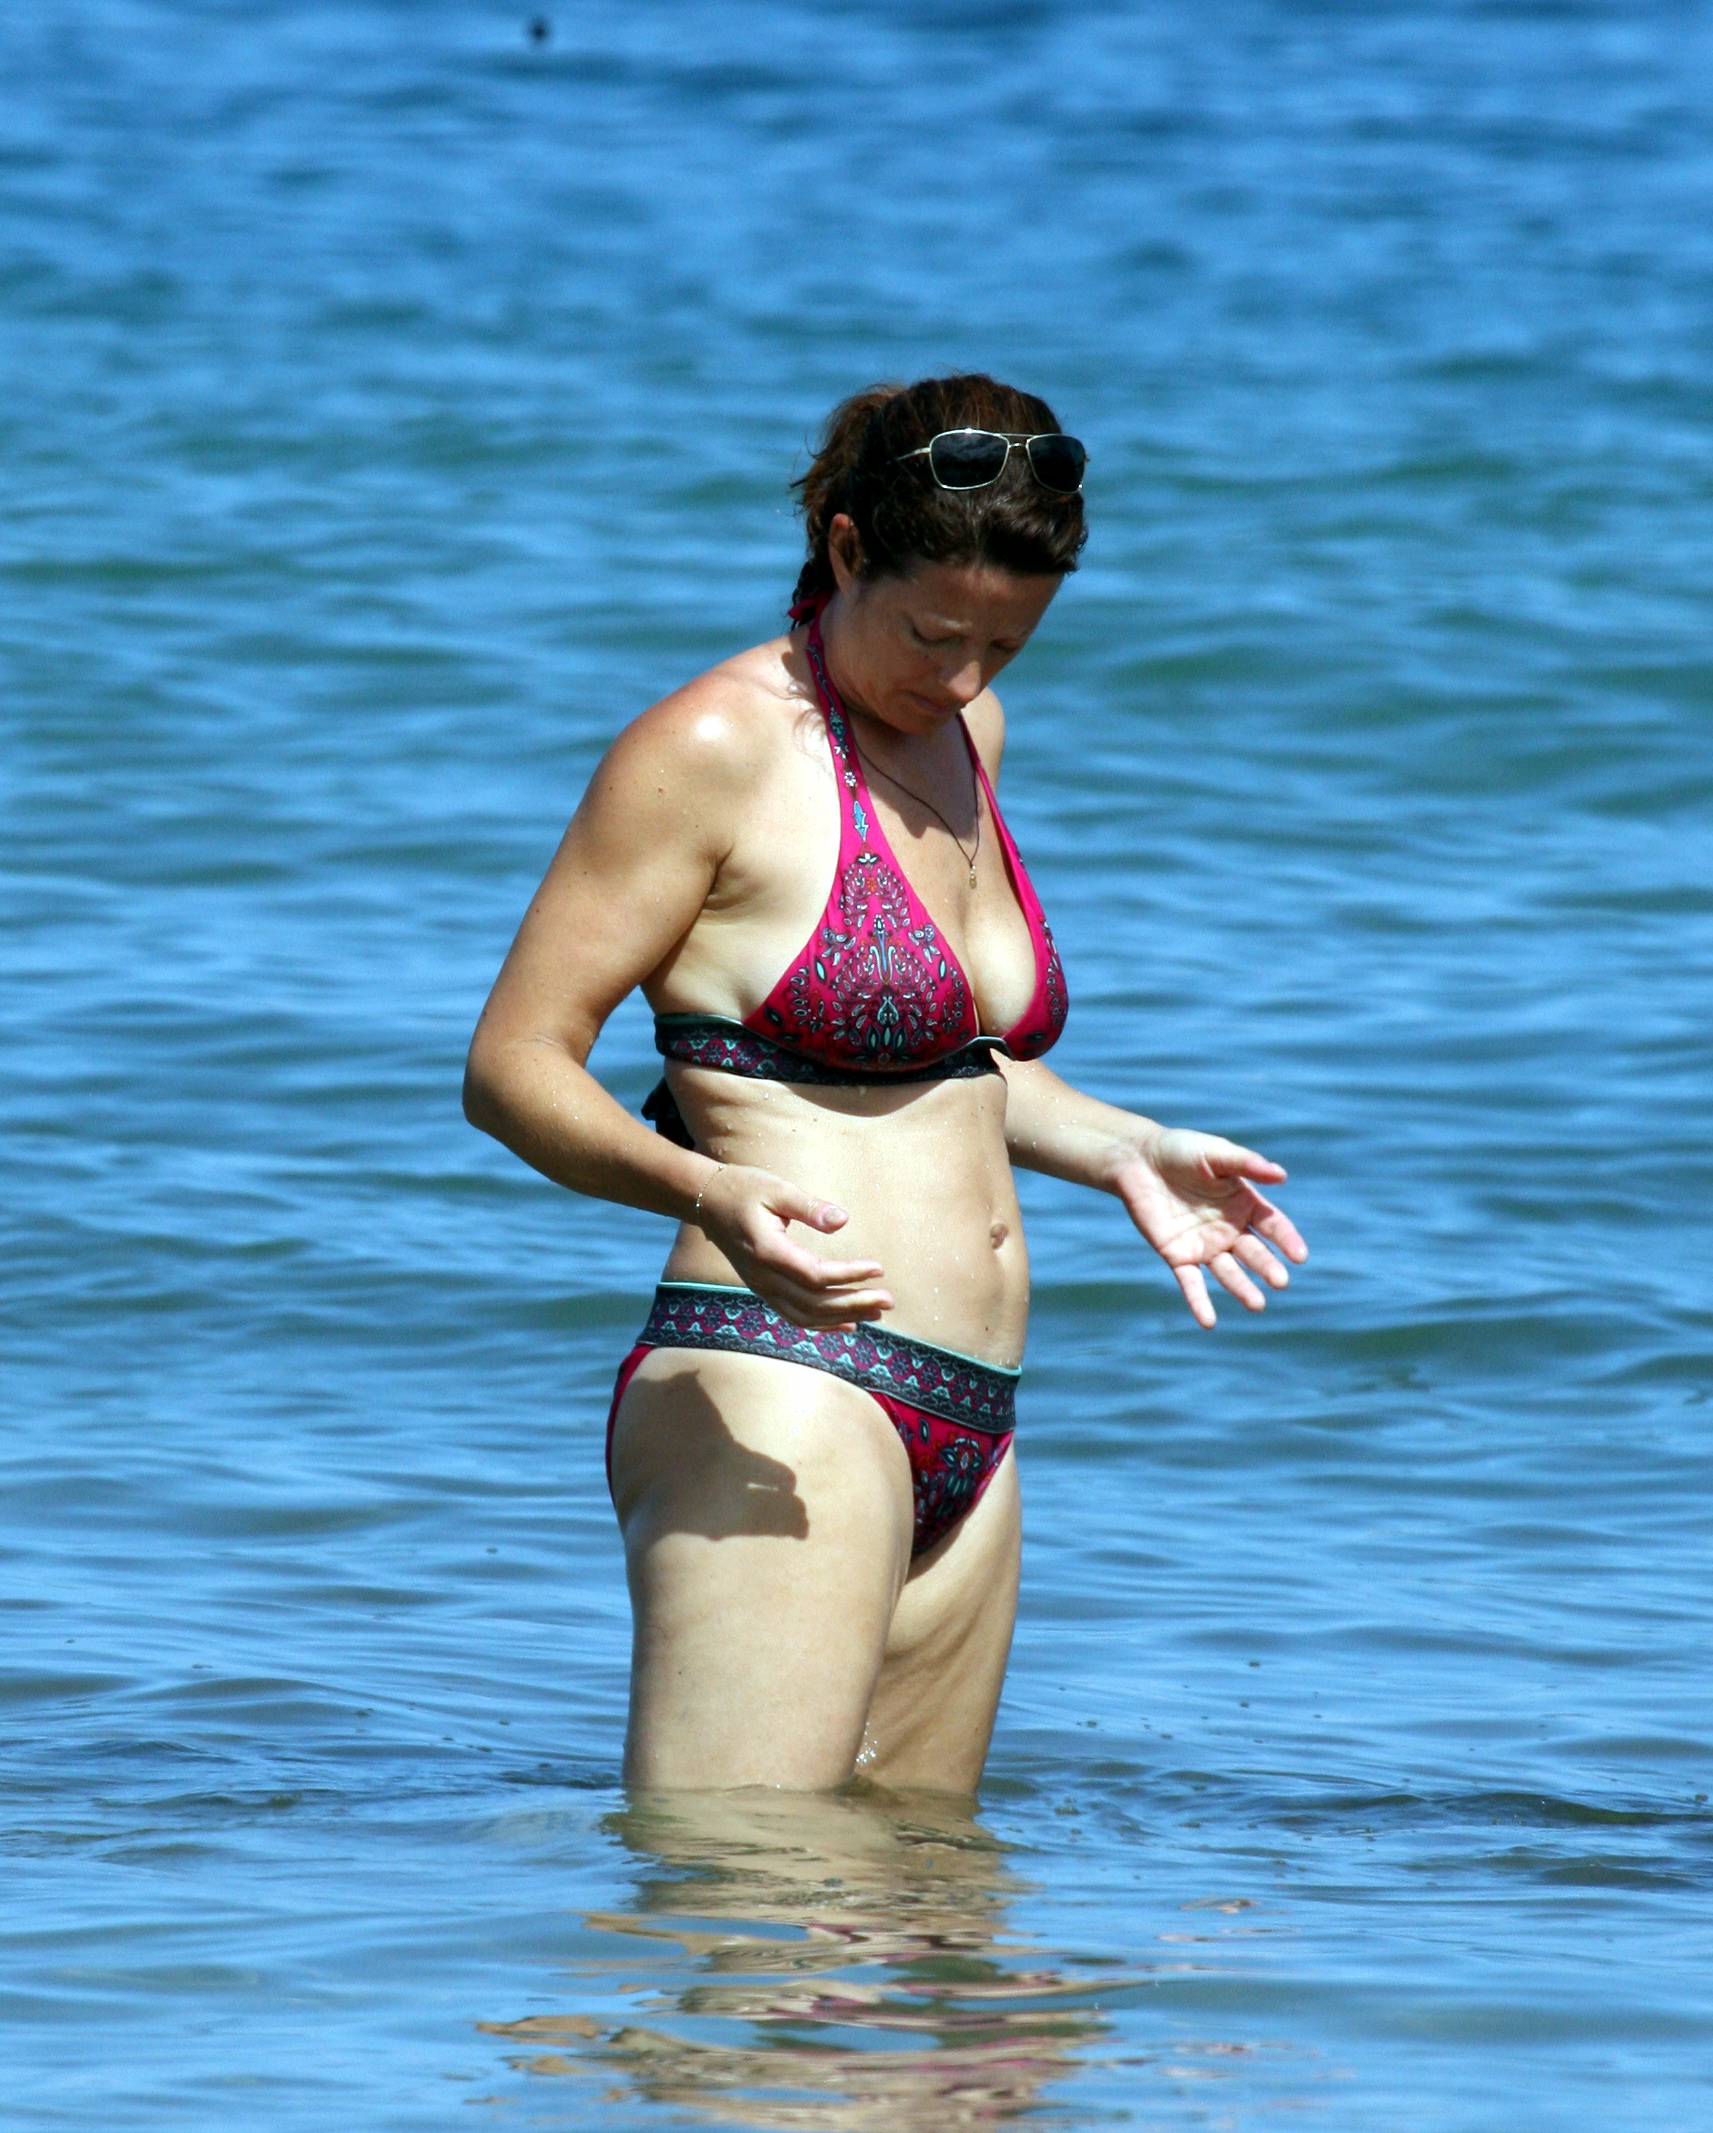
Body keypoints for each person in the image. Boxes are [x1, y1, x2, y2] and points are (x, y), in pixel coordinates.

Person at [463, 373, 1308, 1797]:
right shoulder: (715, 749)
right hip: (781, 1387)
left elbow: (944, 1067)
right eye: (932, 633)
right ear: (847, 549)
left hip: (973, 1415)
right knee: (740, 1886)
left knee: (931, 1900)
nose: (965, 678)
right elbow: (510, 1067)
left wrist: (1125, 1148)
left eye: (1006, 643)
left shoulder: (965, 737)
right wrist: (708, 1191)